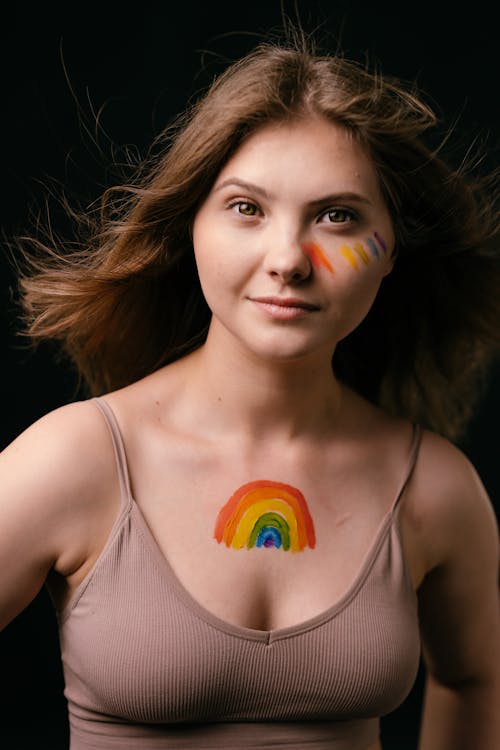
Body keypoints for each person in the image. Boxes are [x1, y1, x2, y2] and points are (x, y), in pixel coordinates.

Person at [1, 30, 499, 750]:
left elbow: (473, 679)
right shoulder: (78, 460)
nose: (288, 260)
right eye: (246, 208)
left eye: (339, 217)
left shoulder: (435, 489)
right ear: (191, 227)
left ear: (391, 247)